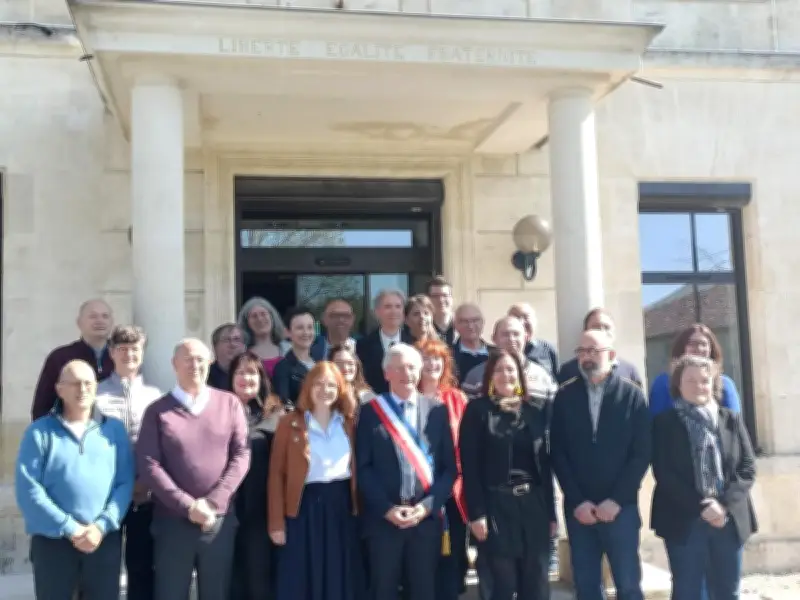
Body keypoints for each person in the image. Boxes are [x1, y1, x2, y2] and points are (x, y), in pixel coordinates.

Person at [136, 338, 251, 600]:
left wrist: (212, 503)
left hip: (218, 521)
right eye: (187, 359)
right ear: (174, 364)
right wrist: (188, 505)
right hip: (172, 523)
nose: (194, 364)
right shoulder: (157, 411)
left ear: (210, 363)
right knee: (171, 593)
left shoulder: (229, 403)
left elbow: (242, 454)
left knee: (217, 593)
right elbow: (148, 463)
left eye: (200, 358)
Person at [16, 360, 134, 600]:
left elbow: (124, 483)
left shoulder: (114, 430)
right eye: (75, 384)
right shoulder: (39, 432)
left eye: (88, 384)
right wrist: (70, 528)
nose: (83, 390)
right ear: (60, 389)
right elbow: (29, 489)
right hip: (53, 542)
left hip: (102, 540)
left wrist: (101, 525)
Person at [550, 329, 651, 600]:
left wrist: (617, 500)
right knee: (586, 587)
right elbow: (558, 454)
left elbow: (641, 454)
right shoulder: (564, 396)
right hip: (579, 510)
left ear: (612, 355)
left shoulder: (632, 396)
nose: (587, 357)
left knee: (628, 585)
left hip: (621, 509)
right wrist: (577, 500)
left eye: (594, 351)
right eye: (582, 351)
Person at [651, 355, 757, 600]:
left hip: (728, 521)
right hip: (684, 520)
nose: (699, 386)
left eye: (705, 380)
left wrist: (723, 506)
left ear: (714, 384)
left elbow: (747, 468)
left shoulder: (731, 419)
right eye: (691, 381)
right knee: (687, 592)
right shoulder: (664, 424)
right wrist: (703, 507)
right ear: (678, 385)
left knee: (727, 592)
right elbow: (664, 473)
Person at [356, 343, 457, 600]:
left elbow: (448, 468)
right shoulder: (370, 412)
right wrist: (386, 509)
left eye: (412, 367)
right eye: (399, 368)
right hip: (384, 521)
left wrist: (427, 506)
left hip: (424, 521)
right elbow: (363, 468)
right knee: (383, 591)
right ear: (386, 373)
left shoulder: (436, 411)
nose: (407, 373)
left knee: (423, 591)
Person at [460, 349, 556, 600]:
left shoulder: (534, 411)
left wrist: (552, 514)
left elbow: (545, 467)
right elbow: (469, 466)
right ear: (490, 375)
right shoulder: (476, 411)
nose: (506, 375)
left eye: (511, 369)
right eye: (500, 369)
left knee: (535, 583)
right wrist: (477, 513)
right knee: (502, 584)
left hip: (533, 506)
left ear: (520, 375)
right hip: (496, 507)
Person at [268, 362, 362, 600]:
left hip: (341, 507)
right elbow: (276, 475)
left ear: (340, 389)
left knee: (339, 573)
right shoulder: (289, 424)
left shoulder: (350, 423)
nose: (325, 390)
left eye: (331, 384)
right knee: (303, 576)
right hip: (304, 508)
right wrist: (277, 523)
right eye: (319, 384)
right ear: (308, 387)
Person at [94, 325, 162, 600]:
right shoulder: (95, 395)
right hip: (105, 497)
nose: (129, 355)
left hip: (144, 495)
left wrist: (145, 481)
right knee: (102, 569)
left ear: (142, 354)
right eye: (122, 349)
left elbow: (160, 446)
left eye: (134, 349)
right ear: (111, 353)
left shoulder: (155, 395)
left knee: (142, 568)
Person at [229, 351, 285, 600]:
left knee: (258, 579)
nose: (245, 378)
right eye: (239, 372)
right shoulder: (218, 410)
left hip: (261, 511)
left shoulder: (277, 415)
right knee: (229, 579)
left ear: (262, 377)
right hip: (225, 509)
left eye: (251, 372)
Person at [417, 338, 469, 600]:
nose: (432, 363)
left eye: (437, 358)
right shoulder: (407, 398)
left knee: (454, 555)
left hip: (452, 490)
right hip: (418, 491)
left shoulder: (457, 398)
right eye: (426, 358)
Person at [31, 299, 115, 420]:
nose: (100, 321)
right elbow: (42, 407)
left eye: (105, 316)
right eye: (93, 316)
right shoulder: (60, 357)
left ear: (112, 322)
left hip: (111, 432)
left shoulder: (123, 357)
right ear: (79, 323)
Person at [648, 323, 741, 416]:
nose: (699, 349)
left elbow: (733, 424)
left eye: (704, 344)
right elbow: (656, 420)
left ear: (711, 349)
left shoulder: (725, 384)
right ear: (682, 348)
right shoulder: (663, 383)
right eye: (693, 344)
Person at [557, 308, 643, 387]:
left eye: (607, 327)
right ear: (585, 332)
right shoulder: (568, 371)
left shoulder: (629, 371)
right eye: (596, 327)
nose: (602, 331)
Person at [356, 289, 414, 394]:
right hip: (375, 404)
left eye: (398, 306)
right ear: (377, 312)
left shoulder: (414, 343)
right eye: (388, 307)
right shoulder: (363, 345)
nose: (393, 311)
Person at [272, 306, 317, 406]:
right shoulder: (283, 368)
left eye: (310, 327)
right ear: (287, 332)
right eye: (300, 328)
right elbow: (284, 405)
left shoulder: (321, 363)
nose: (306, 332)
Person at [238, 297, 289, 377]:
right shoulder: (241, 353)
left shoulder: (289, 349)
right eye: (254, 316)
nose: (260, 319)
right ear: (247, 323)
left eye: (263, 314)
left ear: (272, 317)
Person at [207, 323, 246, 391]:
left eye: (236, 339)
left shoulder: (252, 375)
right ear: (215, 347)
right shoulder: (205, 376)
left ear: (244, 347)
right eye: (226, 340)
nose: (232, 344)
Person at [427, 276, 456, 345]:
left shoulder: (463, 325)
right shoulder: (423, 328)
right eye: (435, 296)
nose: (441, 300)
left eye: (445, 295)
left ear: (451, 299)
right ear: (428, 299)